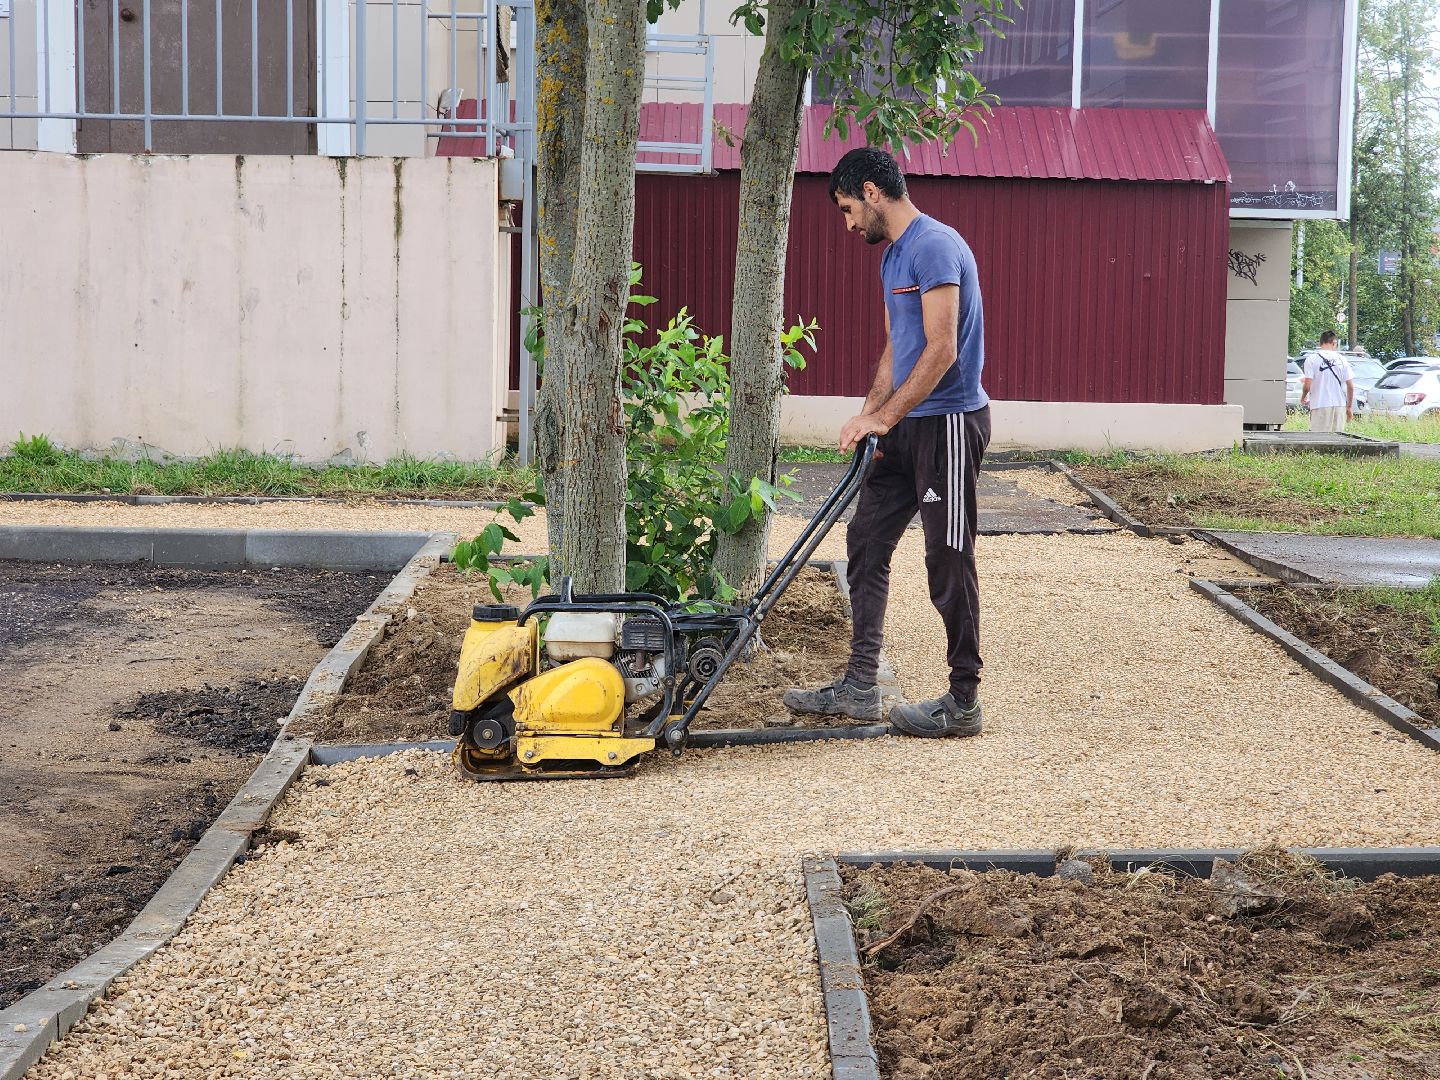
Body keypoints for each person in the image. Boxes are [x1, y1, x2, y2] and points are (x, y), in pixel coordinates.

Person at [783, 147, 991, 738]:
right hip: (903, 427)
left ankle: (964, 700)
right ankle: (859, 684)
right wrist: (872, 415)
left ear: (873, 192)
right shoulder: (892, 258)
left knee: (947, 558)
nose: (848, 226)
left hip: (948, 424)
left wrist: (887, 416)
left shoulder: (935, 246)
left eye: (849, 210)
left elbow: (941, 348)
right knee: (866, 542)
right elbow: (898, 347)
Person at [1300, 331, 1354, 432]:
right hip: (1339, 405)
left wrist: (1303, 397)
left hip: (1319, 404)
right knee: (1336, 440)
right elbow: (1350, 386)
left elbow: (1307, 385)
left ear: (1320, 343)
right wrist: (1349, 407)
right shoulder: (1342, 359)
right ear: (1334, 343)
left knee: (1318, 439)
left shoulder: (1311, 359)